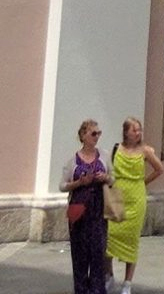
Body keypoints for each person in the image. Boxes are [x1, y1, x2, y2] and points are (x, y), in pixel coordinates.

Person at [109, 117, 164, 294]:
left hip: (136, 198)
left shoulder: (145, 151)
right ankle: (109, 276)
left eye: (139, 130)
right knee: (109, 237)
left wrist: (142, 182)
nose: (138, 133)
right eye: (135, 130)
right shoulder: (117, 148)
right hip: (117, 195)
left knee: (131, 240)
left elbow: (159, 169)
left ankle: (127, 283)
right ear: (126, 132)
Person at [62, 120, 112, 294]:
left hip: (98, 211)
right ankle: (81, 290)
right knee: (80, 255)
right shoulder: (73, 160)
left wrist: (105, 178)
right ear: (83, 136)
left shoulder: (104, 156)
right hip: (78, 210)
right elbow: (62, 185)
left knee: (98, 254)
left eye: (99, 133)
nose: (96, 137)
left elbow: (113, 179)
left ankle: (98, 290)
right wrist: (79, 182)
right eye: (93, 133)